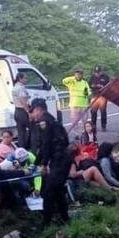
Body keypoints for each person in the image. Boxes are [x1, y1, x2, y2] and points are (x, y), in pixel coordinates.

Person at [29, 97, 72, 227]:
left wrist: (42, 165)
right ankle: (65, 218)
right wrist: (35, 164)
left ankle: (45, 224)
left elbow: (45, 145)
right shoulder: (50, 119)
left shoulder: (44, 121)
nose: (32, 114)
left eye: (33, 111)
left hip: (59, 160)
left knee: (48, 192)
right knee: (58, 190)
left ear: (38, 109)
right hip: (62, 159)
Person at [12, 72, 32, 148]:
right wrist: (28, 112)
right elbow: (23, 101)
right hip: (23, 111)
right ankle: (32, 147)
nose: (26, 80)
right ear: (20, 79)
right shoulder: (20, 88)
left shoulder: (15, 87)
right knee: (33, 129)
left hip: (17, 111)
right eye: (25, 78)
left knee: (21, 133)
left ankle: (21, 149)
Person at [89, 65, 110, 132]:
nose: (97, 74)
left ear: (101, 72)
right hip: (94, 95)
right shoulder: (92, 77)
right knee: (93, 112)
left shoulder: (106, 77)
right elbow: (89, 85)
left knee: (103, 111)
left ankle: (103, 126)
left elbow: (109, 85)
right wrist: (93, 86)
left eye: (98, 72)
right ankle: (93, 125)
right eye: (96, 72)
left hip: (103, 96)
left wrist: (102, 86)